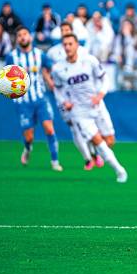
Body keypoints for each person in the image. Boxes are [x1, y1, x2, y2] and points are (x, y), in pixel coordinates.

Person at [52, 34, 127, 182]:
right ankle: (120, 171)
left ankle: (99, 152)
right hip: (79, 112)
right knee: (98, 141)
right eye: (65, 44)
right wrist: (64, 102)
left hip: (97, 105)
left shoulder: (89, 60)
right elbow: (57, 89)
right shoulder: (58, 68)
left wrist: (100, 94)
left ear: (77, 45)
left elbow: (104, 78)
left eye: (70, 44)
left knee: (110, 141)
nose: (67, 47)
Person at [42, 22, 102, 171]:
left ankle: (94, 153)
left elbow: (90, 68)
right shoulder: (53, 52)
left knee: (86, 125)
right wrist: (50, 82)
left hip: (80, 95)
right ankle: (87, 158)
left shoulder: (82, 51)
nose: (64, 32)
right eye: (62, 30)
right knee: (74, 126)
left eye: (67, 30)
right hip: (63, 95)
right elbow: (45, 68)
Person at [5, 26, 62, 172]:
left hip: (40, 98)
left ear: (30, 37)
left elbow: (49, 68)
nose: (22, 37)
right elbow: (6, 79)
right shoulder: (12, 57)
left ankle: (55, 161)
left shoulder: (40, 55)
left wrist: (51, 81)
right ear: (17, 39)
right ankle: (27, 148)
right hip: (23, 102)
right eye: (19, 35)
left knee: (49, 129)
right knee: (29, 136)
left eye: (25, 34)